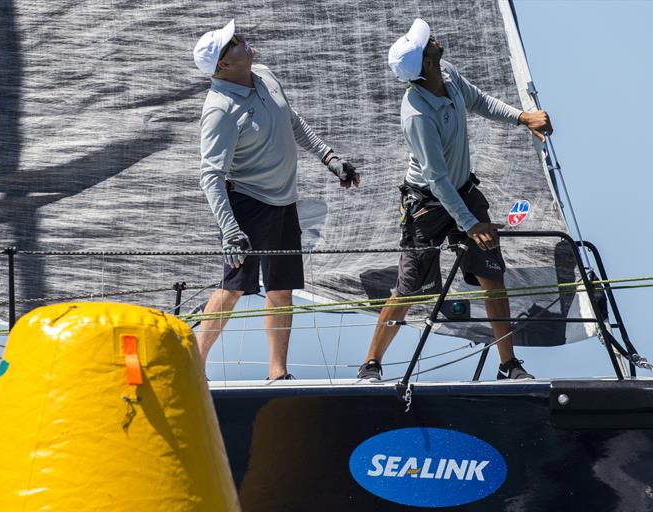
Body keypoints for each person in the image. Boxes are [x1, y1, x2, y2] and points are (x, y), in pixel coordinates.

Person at [357, 19, 552, 381]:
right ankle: (371, 363)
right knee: (410, 290)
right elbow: (436, 179)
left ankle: (508, 365)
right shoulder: (416, 114)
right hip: (427, 203)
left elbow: (477, 100)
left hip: (461, 190)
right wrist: (471, 224)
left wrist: (522, 118)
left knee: (493, 277)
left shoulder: (445, 72)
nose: (432, 37)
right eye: (426, 42)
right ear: (424, 62)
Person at [193, 20, 360, 380]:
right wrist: (230, 231)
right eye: (233, 42)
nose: (242, 40)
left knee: (282, 289)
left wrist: (330, 158)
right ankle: (193, 366)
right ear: (222, 65)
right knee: (233, 289)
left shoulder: (264, 74)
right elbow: (210, 175)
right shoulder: (220, 109)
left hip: (284, 204)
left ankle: (277, 373)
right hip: (247, 208)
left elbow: (292, 120)